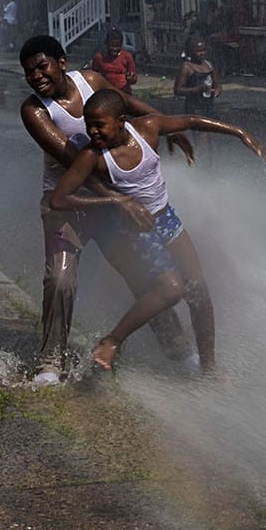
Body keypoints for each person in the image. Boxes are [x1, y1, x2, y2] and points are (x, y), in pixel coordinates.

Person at [49, 88, 266, 372]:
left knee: (198, 289)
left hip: (166, 218)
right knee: (171, 288)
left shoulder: (148, 128)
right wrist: (116, 199)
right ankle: (111, 341)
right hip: (136, 229)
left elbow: (191, 120)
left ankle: (209, 368)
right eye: (88, 124)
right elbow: (58, 198)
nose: (92, 131)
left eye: (99, 125)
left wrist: (239, 132)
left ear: (122, 120)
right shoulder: (92, 156)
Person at [18, 35, 192, 384]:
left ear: (61, 63)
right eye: (29, 72)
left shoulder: (92, 82)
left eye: (42, 66)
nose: (37, 76)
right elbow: (74, 162)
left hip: (113, 203)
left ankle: (179, 349)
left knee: (142, 271)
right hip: (67, 204)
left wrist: (164, 125)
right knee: (60, 279)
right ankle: (52, 361)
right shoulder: (34, 110)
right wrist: (118, 198)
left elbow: (125, 105)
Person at [173, 38, 220, 150]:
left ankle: (215, 167)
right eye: (198, 51)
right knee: (201, 143)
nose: (202, 53)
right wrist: (198, 89)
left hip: (209, 108)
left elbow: (217, 84)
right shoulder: (186, 67)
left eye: (204, 50)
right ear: (190, 52)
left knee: (215, 141)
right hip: (195, 109)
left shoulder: (208, 64)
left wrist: (218, 90)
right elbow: (177, 90)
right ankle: (201, 166)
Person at [91, 29, 138, 96]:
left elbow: (134, 79)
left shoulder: (127, 56)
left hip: (124, 93)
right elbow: (94, 77)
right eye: (112, 46)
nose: (114, 49)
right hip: (105, 94)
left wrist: (131, 77)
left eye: (117, 46)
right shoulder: (99, 57)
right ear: (106, 44)